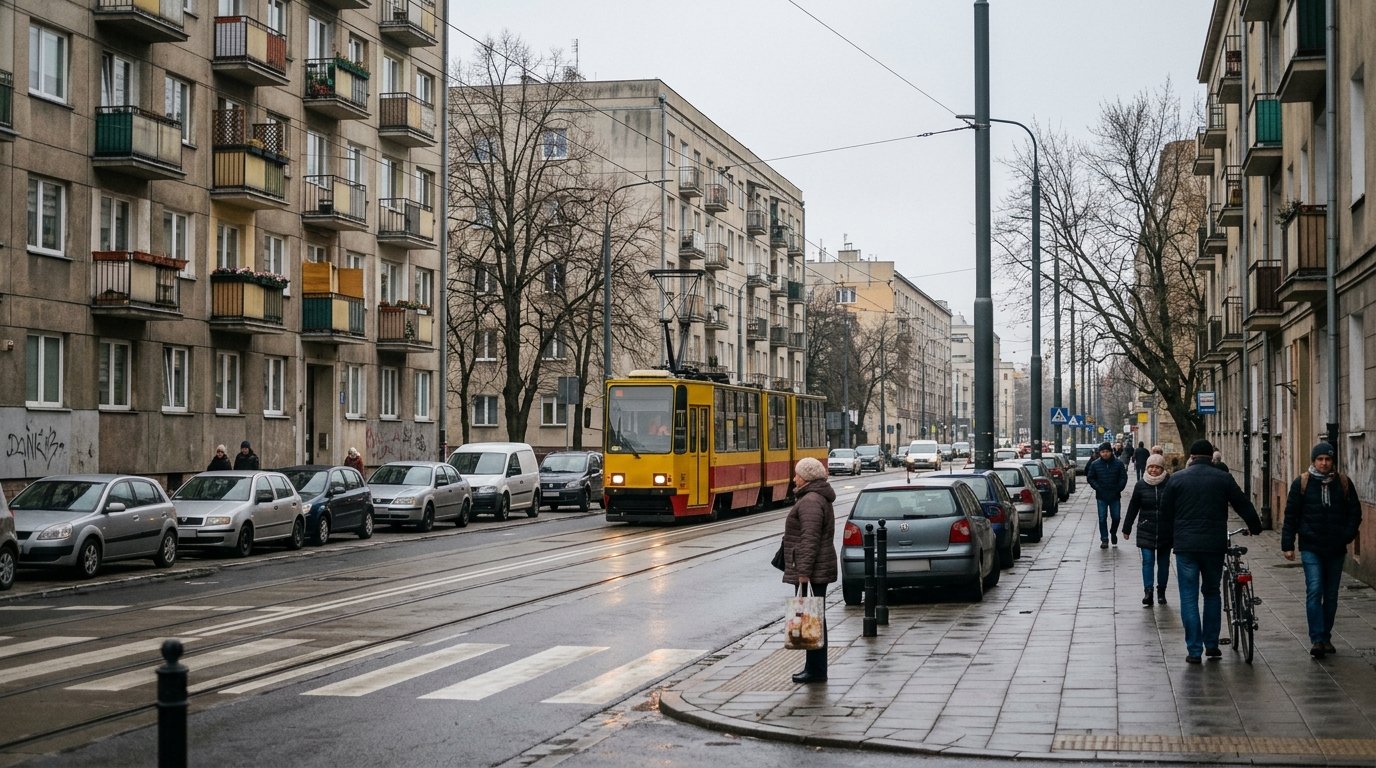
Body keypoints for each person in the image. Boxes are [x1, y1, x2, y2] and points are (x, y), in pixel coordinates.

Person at [1159, 439, 1263, 664]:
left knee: (1188, 597)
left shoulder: (1176, 479)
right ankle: (1212, 645)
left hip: (1186, 546)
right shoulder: (1223, 478)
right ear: (1211, 456)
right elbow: (1242, 503)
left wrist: (1165, 542)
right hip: (1214, 546)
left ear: (1192, 457)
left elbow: (1165, 514)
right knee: (1212, 593)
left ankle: (1194, 650)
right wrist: (1255, 526)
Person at [1281, 442, 1363, 658]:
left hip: (1336, 548)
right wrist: (1287, 545)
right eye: (1320, 459)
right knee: (1315, 589)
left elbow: (1355, 513)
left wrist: (1346, 535)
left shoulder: (1343, 483)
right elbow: (1291, 515)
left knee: (1332, 595)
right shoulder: (1302, 483)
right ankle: (1317, 639)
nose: (1324, 463)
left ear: (1332, 461)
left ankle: (1326, 636)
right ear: (1314, 461)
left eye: (1327, 459)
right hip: (1311, 546)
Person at [780, 456, 837, 684]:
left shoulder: (811, 500)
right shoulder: (814, 497)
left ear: (806, 477)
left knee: (813, 619)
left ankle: (815, 670)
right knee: (814, 619)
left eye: (797, 474)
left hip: (812, 570)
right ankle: (813, 667)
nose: (794, 478)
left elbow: (809, 539)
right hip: (815, 567)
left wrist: (803, 572)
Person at [1122, 453, 1171, 607]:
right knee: (1148, 561)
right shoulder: (1141, 485)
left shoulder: (1170, 483)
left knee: (1163, 563)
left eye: (1157, 467)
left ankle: (1161, 591)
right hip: (1146, 528)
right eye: (1151, 467)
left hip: (1165, 529)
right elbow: (1133, 507)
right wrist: (1127, 527)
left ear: (1162, 468)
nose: (1153, 470)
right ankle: (1148, 592)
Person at [1086, 441, 1127, 549]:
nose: (1105, 454)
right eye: (1103, 452)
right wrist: (1098, 487)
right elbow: (1090, 477)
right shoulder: (1095, 464)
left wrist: (1119, 488)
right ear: (1100, 453)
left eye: (1107, 451)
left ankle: (1113, 532)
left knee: (1116, 517)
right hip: (1101, 496)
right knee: (1102, 518)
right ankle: (1104, 539)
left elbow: (1123, 477)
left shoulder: (1118, 464)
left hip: (1115, 495)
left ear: (1111, 452)